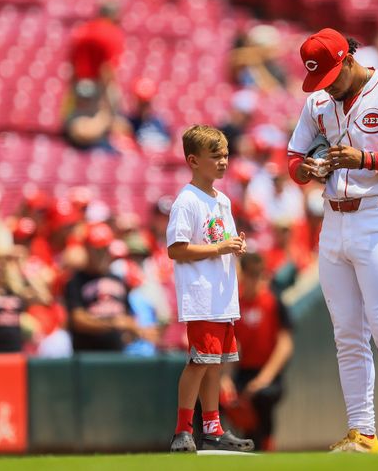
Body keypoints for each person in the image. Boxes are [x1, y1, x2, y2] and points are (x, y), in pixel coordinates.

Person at [287, 28, 378, 453]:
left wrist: (367, 159)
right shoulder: (317, 102)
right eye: (319, 78)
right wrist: (307, 170)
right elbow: (294, 157)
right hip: (333, 221)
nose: (326, 85)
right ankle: (362, 432)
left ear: (348, 59)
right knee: (347, 333)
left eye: (331, 75)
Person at [166, 125, 254, 453]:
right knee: (200, 361)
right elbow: (177, 248)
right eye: (214, 156)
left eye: (225, 155)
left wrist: (233, 247)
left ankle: (213, 427)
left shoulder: (223, 200)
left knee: (216, 362)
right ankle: (182, 429)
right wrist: (220, 249)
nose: (223, 162)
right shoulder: (187, 201)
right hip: (202, 295)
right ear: (193, 160)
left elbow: (219, 239)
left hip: (221, 295)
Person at [223, 252, 294, 451]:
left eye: (259, 274)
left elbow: (285, 344)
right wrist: (225, 378)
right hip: (242, 373)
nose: (255, 279)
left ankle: (266, 444)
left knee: (262, 395)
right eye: (251, 274)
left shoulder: (273, 302)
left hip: (268, 374)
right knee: (216, 397)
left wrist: (263, 379)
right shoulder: (236, 304)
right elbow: (233, 344)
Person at [64, 223, 149, 352]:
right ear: (87, 249)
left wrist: (132, 328)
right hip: (88, 355)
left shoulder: (118, 279)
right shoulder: (76, 280)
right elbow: (78, 320)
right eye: (97, 250)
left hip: (117, 354)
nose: (102, 255)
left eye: (105, 249)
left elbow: (128, 317)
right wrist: (112, 323)